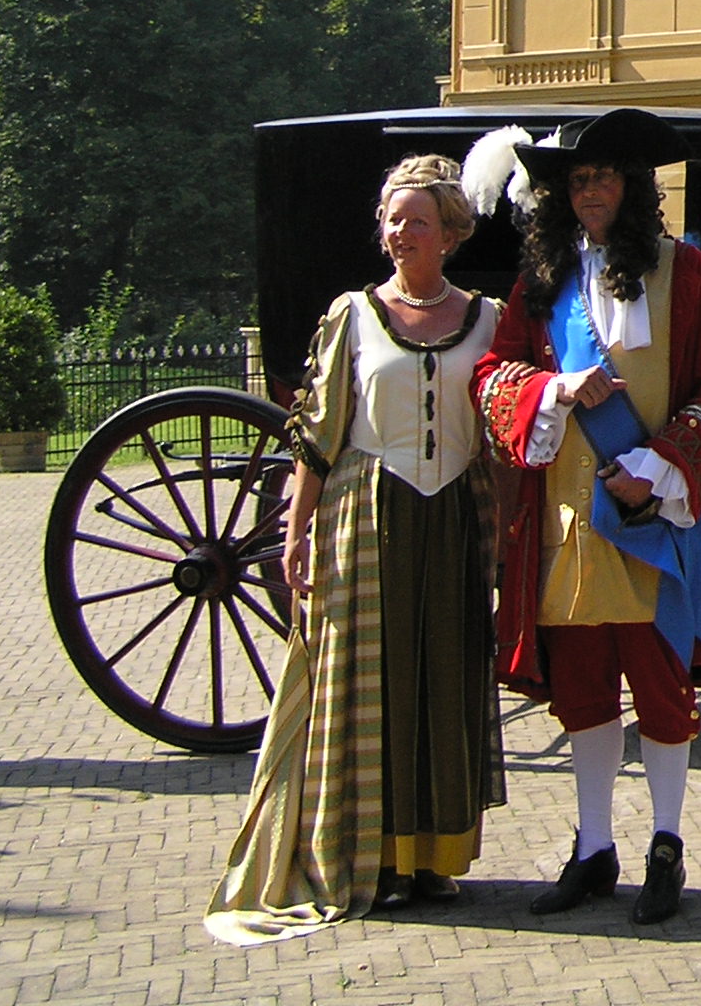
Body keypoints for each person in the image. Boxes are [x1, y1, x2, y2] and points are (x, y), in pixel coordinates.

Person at [205, 157, 505, 945]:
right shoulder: (354, 317)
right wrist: (295, 533)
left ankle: (433, 858)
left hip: (455, 522)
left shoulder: (489, 319)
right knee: (369, 687)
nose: (401, 232)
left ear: (450, 231)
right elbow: (317, 437)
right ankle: (370, 858)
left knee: (444, 679)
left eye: (417, 220)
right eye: (392, 219)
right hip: (366, 515)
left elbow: (508, 435)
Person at [471, 108, 701, 927]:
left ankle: (665, 845)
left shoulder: (692, 277)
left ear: (632, 189)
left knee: (662, 697)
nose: (590, 192)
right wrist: (553, 390)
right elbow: (494, 377)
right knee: (582, 694)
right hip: (563, 531)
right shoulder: (539, 288)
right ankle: (594, 847)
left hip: (652, 522)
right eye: (576, 181)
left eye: (603, 177)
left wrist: (661, 465)